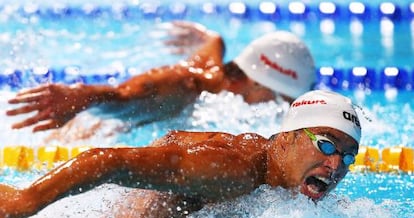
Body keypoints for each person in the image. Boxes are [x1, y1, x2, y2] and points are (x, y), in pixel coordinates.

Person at [0, 90, 361, 218]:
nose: (335, 165)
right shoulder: (234, 169)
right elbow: (107, 160)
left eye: (347, 156)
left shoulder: (272, 178)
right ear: (286, 137)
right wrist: (27, 201)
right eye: (326, 145)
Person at [6, 21, 315, 140]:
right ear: (258, 82)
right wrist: (82, 96)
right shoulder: (187, 86)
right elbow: (124, 96)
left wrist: (212, 39)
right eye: (279, 100)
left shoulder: (215, 67)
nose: (278, 110)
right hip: (65, 135)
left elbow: (212, 47)